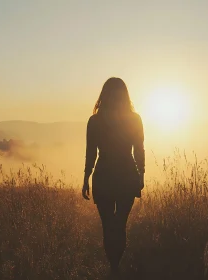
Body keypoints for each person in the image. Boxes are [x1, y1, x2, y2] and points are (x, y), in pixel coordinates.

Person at [82, 77, 145, 275]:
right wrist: (141, 174)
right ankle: (116, 266)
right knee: (120, 224)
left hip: (104, 176)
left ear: (104, 95)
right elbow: (139, 150)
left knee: (108, 224)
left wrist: (86, 178)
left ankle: (113, 267)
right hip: (127, 175)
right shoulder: (134, 119)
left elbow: (91, 152)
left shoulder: (95, 121)